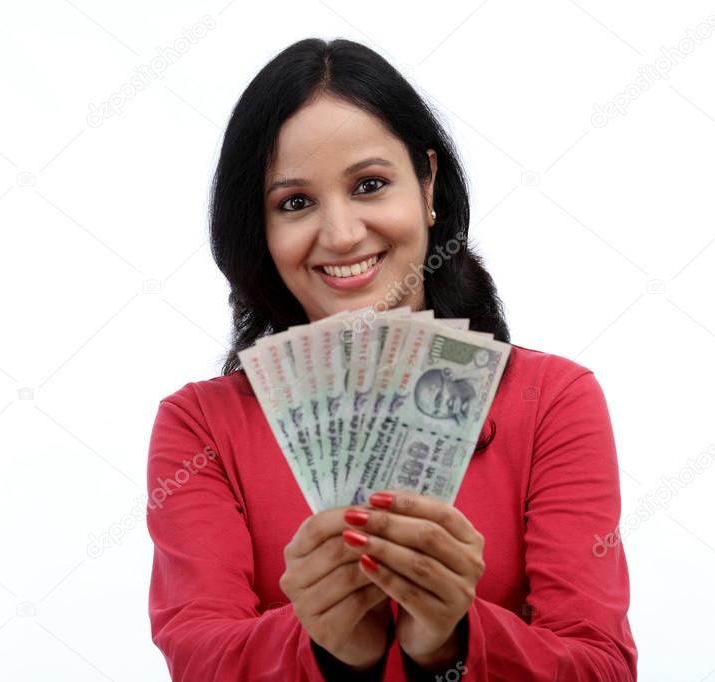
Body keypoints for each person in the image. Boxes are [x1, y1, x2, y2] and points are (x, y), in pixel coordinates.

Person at [145, 37, 638, 681]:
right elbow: (201, 661)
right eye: (294, 202)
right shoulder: (199, 427)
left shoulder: (552, 399)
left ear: (427, 183)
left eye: (370, 185)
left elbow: (600, 666)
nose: (343, 233)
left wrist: (453, 640)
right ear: (259, 230)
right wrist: (331, 648)